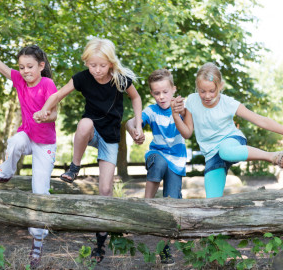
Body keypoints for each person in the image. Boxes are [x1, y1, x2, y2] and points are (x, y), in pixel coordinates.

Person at [34, 37, 144, 263]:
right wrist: (45, 109)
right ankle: (74, 167)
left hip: (111, 137)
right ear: (87, 63)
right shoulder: (83, 78)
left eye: (102, 65)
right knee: (84, 123)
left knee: (105, 191)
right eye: (92, 65)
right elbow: (57, 95)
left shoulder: (121, 80)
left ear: (111, 63)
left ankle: (101, 241)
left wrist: (138, 125)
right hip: (92, 131)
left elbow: (136, 98)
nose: (97, 70)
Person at [0, 21, 57, 268]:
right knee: (14, 141)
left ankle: (37, 242)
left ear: (41, 66)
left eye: (29, 67)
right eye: (21, 67)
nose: (25, 71)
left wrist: (46, 114)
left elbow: (55, 114)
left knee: (39, 192)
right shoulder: (18, 80)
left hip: (45, 143)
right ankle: (5, 172)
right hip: (27, 135)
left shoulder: (47, 85)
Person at [171, 62, 283, 198]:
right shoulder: (192, 101)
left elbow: (259, 119)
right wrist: (176, 115)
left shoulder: (228, 103)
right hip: (212, 155)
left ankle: (272, 156)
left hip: (231, 141)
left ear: (220, 86)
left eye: (212, 91)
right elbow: (187, 133)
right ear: (197, 87)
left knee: (226, 151)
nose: (207, 96)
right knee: (212, 201)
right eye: (202, 91)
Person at [126, 69, 186, 266]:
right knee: (158, 162)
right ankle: (146, 206)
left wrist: (182, 111)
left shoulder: (182, 108)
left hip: (177, 161)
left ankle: (165, 250)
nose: (161, 97)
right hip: (157, 154)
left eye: (165, 92)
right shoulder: (151, 111)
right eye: (156, 93)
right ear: (152, 93)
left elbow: (190, 125)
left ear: (173, 90)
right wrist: (136, 131)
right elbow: (130, 122)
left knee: (171, 205)